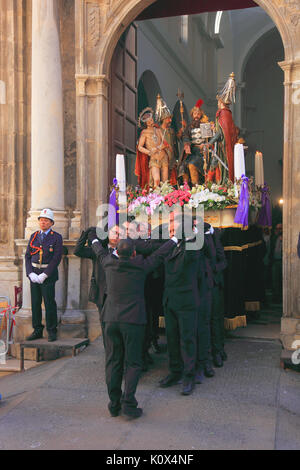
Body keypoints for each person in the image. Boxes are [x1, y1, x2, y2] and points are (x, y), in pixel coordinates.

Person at [88, 229, 177, 419]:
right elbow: (159, 255)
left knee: (113, 361)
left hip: (110, 319)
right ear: (134, 253)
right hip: (134, 321)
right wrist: (176, 239)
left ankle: (114, 403)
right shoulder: (141, 266)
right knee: (133, 362)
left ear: (117, 252)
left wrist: (94, 237)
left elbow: (98, 249)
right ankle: (128, 403)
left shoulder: (108, 263)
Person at [159, 215, 200, 396]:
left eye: (174, 225)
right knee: (172, 338)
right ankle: (174, 371)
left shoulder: (192, 246)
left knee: (187, 339)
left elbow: (191, 254)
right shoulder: (169, 245)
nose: (170, 228)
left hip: (186, 301)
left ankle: (189, 375)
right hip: (170, 300)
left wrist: (191, 234)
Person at [74, 224, 122, 346]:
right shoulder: (99, 250)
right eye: (114, 233)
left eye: (119, 234)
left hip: (118, 295)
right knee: (105, 326)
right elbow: (78, 251)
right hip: (102, 294)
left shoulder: (125, 251)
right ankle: (109, 352)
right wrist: (85, 234)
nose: (116, 236)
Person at [25, 209, 63, 342]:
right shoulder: (34, 236)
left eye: (46, 220)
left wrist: (45, 275)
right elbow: (28, 256)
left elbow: (56, 258)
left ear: (51, 223)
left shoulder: (56, 237)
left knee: (49, 303)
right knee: (35, 303)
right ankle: (37, 330)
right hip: (34, 274)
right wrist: (30, 273)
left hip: (48, 275)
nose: (43, 222)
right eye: (41, 220)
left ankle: (52, 331)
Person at [207, 73, 238, 183]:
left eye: (218, 101)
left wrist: (210, 141)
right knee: (214, 164)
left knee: (219, 165)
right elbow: (221, 129)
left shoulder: (224, 114)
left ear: (221, 102)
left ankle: (222, 185)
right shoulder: (226, 114)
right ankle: (212, 185)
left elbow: (221, 132)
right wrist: (214, 127)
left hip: (223, 147)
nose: (217, 103)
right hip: (220, 146)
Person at [179, 99, 211, 185]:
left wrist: (205, 144)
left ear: (201, 115)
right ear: (192, 115)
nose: (196, 116)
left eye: (198, 114)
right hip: (193, 152)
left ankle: (195, 186)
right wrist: (187, 144)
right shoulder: (189, 127)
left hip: (202, 153)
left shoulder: (204, 125)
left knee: (192, 165)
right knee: (183, 166)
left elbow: (209, 139)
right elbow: (185, 136)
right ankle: (186, 186)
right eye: (195, 114)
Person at [136, 107, 170, 188]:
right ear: (147, 123)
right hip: (154, 158)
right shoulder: (144, 133)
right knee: (157, 180)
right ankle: (156, 198)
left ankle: (165, 198)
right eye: (150, 120)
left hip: (163, 156)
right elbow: (140, 147)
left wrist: (161, 146)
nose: (152, 121)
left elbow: (165, 143)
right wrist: (149, 152)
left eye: (152, 119)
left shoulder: (158, 130)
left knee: (165, 183)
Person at [156, 94, 178, 185]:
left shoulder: (171, 131)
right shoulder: (157, 130)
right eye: (168, 118)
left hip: (171, 159)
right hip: (161, 157)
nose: (170, 120)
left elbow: (175, 144)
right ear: (164, 119)